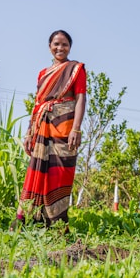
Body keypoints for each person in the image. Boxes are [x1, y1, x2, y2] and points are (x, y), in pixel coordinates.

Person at [13, 30, 86, 230]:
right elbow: (37, 104)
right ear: (49, 46)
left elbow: (80, 98)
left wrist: (76, 129)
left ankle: (57, 222)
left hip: (65, 124)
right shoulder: (43, 74)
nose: (60, 48)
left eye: (64, 45)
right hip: (42, 125)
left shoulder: (76, 69)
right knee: (38, 170)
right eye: (56, 44)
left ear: (70, 47)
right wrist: (30, 133)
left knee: (61, 171)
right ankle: (32, 220)